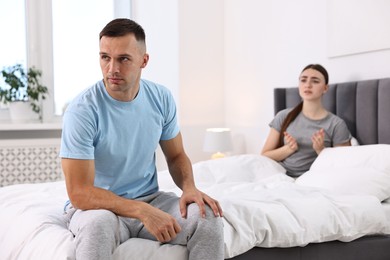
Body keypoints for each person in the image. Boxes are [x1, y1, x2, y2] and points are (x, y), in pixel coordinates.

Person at [60, 18, 224, 260]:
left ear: (143, 60)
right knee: (97, 226)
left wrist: (189, 188)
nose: (112, 69)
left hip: (150, 199)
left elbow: (176, 155)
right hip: (99, 208)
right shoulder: (82, 110)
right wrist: (141, 211)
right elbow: (79, 193)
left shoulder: (161, 98)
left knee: (207, 218)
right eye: (105, 57)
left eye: (123, 59)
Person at [261, 64, 351, 177]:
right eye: (303, 80)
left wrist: (321, 150)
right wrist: (288, 149)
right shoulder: (283, 116)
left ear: (325, 88)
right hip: (280, 178)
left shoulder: (336, 124)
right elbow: (264, 155)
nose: (308, 85)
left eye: (315, 81)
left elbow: (344, 165)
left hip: (313, 180)